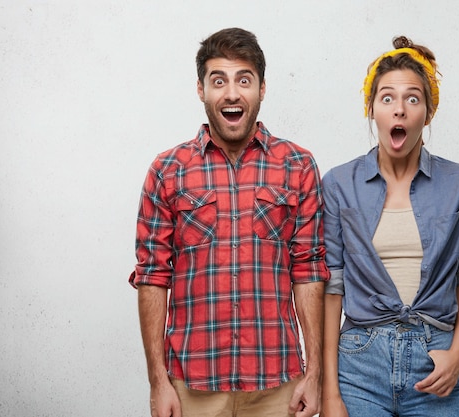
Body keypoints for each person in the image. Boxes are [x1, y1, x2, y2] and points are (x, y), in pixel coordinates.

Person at [129, 27, 329, 417]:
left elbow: (309, 270)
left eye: (244, 80)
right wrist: (158, 382)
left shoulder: (298, 166)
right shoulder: (167, 170)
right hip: (191, 386)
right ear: (201, 90)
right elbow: (153, 275)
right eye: (218, 80)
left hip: (278, 385)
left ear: (262, 89)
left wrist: (315, 373)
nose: (232, 93)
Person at [320, 35, 459, 417]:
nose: (399, 110)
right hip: (359, 366)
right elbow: (333, 288)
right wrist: (330, 392)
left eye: (413, 98)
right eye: (387, 98)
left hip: (435, 362)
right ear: (371, 109)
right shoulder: (338, 184)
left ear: (428, 113)